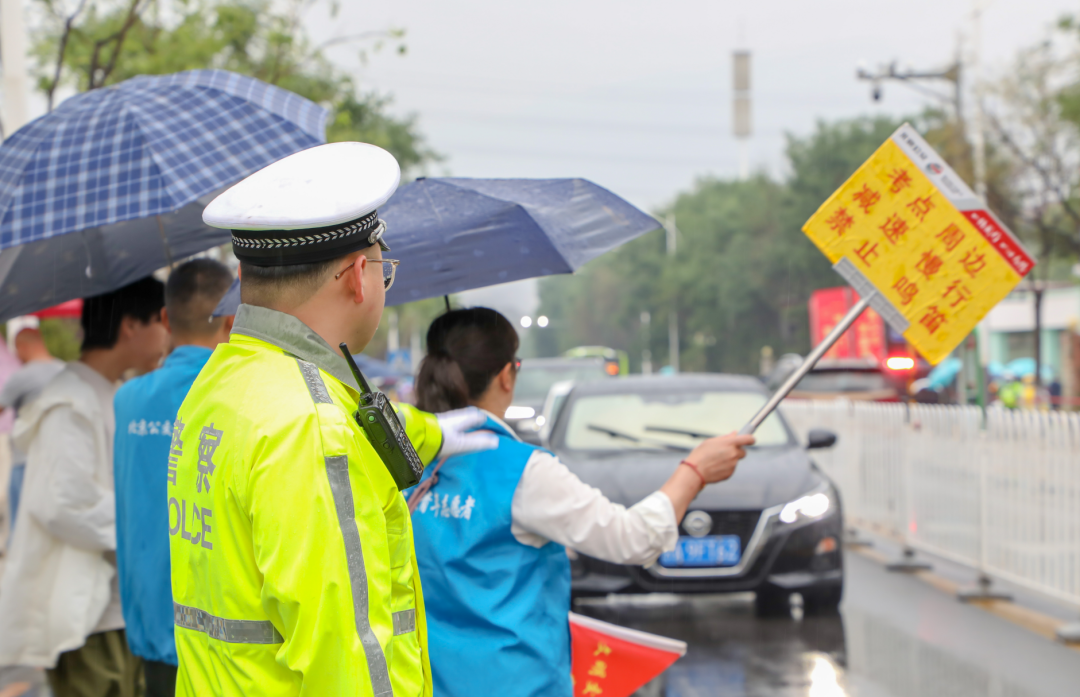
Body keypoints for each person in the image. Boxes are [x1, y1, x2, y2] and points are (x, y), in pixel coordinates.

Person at [169, 141, 496, 696]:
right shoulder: (312, 427)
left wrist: (433, 430)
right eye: (382, 268)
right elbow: (346, 659)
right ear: (356, 275)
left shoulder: (218, 385)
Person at [409, 307, 755, 697]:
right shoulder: (523, 471)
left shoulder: (400, 465)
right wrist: (695, 471)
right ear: (506, 374)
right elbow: (633, 538)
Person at [0, 278, 167, 697]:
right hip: (87, 617)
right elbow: (63, 505)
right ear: (130, 326)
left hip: (113, 607)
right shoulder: (71, 399)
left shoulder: (106, 392)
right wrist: (146, 524)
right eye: (160, 321)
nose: (167, 333)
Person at [113, 259, 234, 697]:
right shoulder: (235, 394)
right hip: (225, 637)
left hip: (150, 629)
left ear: (165, 318)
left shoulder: (126, 402)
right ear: (233, 320)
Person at [0, 326, 64, 537]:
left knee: (21, 534)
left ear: (22, 347)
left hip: (25, 463)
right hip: (60, 462)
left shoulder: (22, 377)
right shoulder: (66, 371)